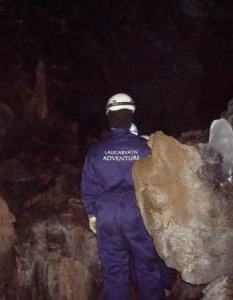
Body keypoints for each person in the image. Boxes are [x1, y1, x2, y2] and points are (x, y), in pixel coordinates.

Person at [81, 93, 171, 300]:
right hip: (138, 210)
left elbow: (89, 186)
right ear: (131, 115)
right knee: (147, 266)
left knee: (114, 270)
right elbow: (158, 182)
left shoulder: (96, 150)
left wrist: (92, 214)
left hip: (107, 212)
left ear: (109, 117)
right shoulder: (145, 148)